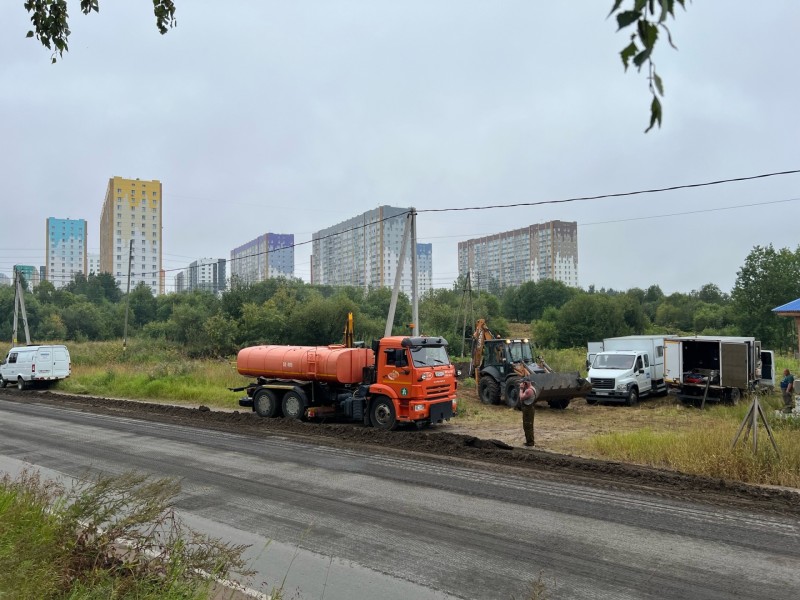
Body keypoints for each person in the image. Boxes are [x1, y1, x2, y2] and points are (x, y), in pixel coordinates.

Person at [519, 378, 537, 446]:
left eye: (523, 383)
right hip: (529, 408)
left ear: (526, 383)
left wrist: (521, 389)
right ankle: (529, 441)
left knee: (528, 426)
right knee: (528, 425)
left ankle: (530, 442)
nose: (522, 384)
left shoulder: (529, 391)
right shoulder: (532, 388)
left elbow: (521, 397)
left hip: (528, 409)